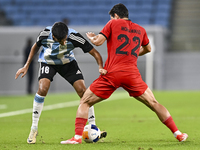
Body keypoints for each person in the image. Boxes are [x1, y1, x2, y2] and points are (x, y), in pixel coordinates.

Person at [61, 3, 188, 144]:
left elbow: (98, 42)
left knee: (84, 101)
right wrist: (131, 54)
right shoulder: (141, 29)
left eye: (111, 17)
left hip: (112, 73)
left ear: (115, 15)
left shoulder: (112, 24)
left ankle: (77, 137)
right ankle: (178, 134)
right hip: (132, 74)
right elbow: (148, 49)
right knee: (153, 103)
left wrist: (92, 38)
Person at [15, 22, 107, 144]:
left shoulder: (74, 36)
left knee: (84, 92)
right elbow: (35, 47)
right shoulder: (44, 35)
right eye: (61, 41)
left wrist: (100, 66)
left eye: (65, 40)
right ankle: (34, 128)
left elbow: (95, 52)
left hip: (68, 64)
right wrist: (26, 66)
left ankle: (93, 127)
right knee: (42, 89)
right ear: (53, 37)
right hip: (48, 62)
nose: (64, 42)